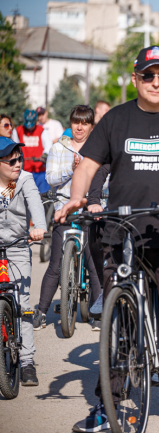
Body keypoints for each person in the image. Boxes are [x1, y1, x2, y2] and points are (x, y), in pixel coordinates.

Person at [56, 45, 159, 433]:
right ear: (135, 79)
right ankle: (107, 405)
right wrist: (77, 197)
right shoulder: (116, 119)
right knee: (118, 325)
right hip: (122, 232)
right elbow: (88, 166)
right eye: (148, 75)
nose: (156, 82)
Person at [33, 105, 103, 332]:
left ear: (91, 126)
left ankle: (97, 313)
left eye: (85, 123)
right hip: (64, 208)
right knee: (55, 264)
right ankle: (42, 312)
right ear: (71, 124)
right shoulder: (58, 148)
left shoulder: (99, 148)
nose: (79, 127)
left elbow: (106, 179)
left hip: (91, 209)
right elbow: (50, 178)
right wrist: (72, 170)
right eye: (76, 122)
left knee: (94, 262)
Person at [0, 137, 47, 386]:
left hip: (18, 246)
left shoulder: (23, 180)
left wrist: (39, 226)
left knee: (23, 304)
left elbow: (35, 203)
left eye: (20, 159)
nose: (18, 164)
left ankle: (27, 361)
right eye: (11, 161)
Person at [14, 109, 53, 193]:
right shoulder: (18, 130)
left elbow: (48, 145)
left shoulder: (42, 130)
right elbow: (14, 146)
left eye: (31, 122)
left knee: (43, 194)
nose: (29, 125)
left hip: (39, 170)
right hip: (24, 171)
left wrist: (45, 155)